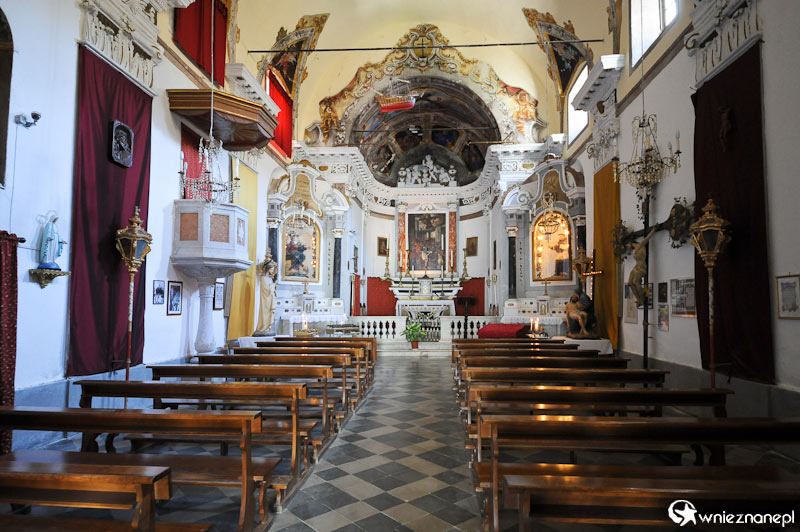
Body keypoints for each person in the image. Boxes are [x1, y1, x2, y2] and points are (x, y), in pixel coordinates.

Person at [628, 228, 656, 307]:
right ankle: (638, 299)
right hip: (636, 267)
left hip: (641, 267)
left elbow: (647, 237)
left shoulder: (640, 245)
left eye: (629, 244)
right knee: (630, 283)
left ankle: (642, 296)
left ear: (631, 242)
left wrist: (653, 230)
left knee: (635, 282)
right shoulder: (634, 248)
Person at [254, 257, 277, 336]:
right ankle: (263, 328)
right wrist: (274, 285)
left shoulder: (269, 279)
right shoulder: (263, 278)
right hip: (265, 300)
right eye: (271, 269)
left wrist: (273, 286)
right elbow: (266, 290)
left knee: (269, 315)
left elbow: (271, 289)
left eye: (273, 269)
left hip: (269, 299)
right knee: (264, 314)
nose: (272, 271)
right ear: (267, 269)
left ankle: (267, 328)